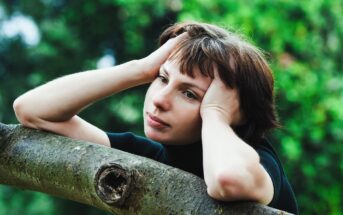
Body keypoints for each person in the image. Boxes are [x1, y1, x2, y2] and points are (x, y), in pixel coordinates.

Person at [13, 21, 298, 214]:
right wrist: (141, 68)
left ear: (237, 112)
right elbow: (33, 110)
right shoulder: (148, 154)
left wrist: (216, 114)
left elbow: (227, 179)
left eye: (189, 94)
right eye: (162, 79)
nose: (160, 100)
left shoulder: (260, 162)